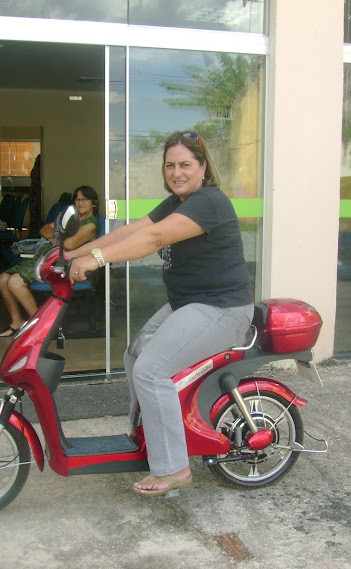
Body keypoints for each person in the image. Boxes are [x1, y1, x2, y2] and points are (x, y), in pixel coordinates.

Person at [68, 131, 253, 497]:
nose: (177, 172)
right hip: (191, 303)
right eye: (170, 165)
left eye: (185, 164)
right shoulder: (176, 203)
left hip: (221, 308)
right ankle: (149, 435)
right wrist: (70, 254)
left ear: (203, 168)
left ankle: (173, 468)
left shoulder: (208, 202)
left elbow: (152, 240)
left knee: (151, 370)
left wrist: (97, 260)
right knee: (136, 354)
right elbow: (133, 230)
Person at [0, 185, 99, 337]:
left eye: (85, 199)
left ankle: (41, 326)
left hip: (62, 265)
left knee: (14, 282)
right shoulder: (70, 217)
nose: (80, 203)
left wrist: (54, 237)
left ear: (94, 203)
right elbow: (43, 230)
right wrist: (56, 238)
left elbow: (70, 245)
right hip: (45, 258)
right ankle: (17, 321)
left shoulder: (90, 225)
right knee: (2, 279)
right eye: (77, 199)